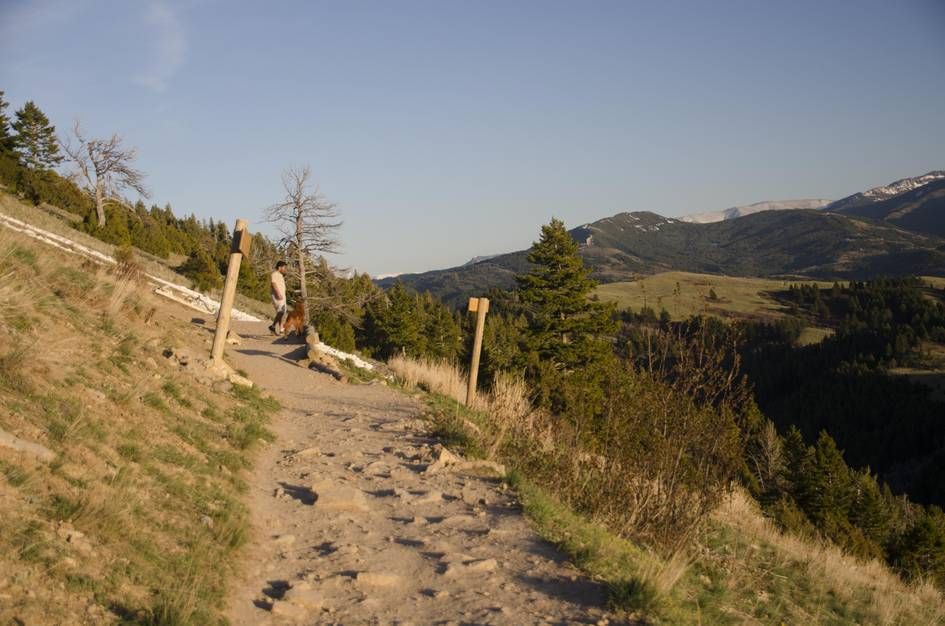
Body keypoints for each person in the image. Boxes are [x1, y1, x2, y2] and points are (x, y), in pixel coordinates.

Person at [269, 261, 288, 335]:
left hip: (282, 296)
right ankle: (273, 326)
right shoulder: (274, 274)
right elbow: (273, 284)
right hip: (277, 296)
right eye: (284, 267)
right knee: (281, 311)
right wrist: (278, 293)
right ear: (279, 267)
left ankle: (280, 329)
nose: (285, 269)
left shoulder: (280, 275)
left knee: (282, 312)